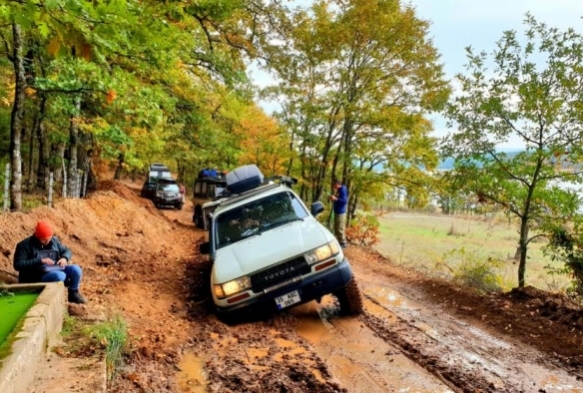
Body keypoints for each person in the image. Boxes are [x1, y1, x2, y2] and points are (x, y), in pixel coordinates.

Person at [13, 220, 87, 304]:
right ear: (37, 236)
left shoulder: (54, 241)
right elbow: (18, 264)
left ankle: (74, 293)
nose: (47, 241)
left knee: (76, 269)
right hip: (36, 274)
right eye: (44, 240)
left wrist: (64, 258)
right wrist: (39, 261)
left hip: (55, 267)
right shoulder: (24, 245)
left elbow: (67, 250)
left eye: (49, 238)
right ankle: (61, 287)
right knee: (60, 275)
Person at [329, 179, 348, 248]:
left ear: (337, 184)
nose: (333, 186)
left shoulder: (343, 190)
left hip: (341, 212)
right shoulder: (339, 190)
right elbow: (337, 199)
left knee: (340, 228)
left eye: (334, 184)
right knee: (336, 227)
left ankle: (343, 243)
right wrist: (333, 198)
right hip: (337, 211)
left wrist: (335, 199)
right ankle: (339, 241)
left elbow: (344, 201)